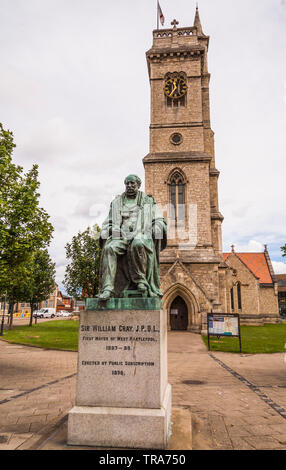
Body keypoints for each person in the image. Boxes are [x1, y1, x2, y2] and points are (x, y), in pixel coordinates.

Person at [97, 174, 167, 300]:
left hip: (141, 235)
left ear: (138, 185)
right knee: (109, 249)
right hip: (121, 237)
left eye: (132, 183)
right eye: (127, 184)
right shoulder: (117, 202)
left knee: (138, 243)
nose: (129, 186)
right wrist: (110, 229)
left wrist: (156, 228)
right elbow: (108, 222)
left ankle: (141, 281)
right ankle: (108, 288)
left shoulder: (148, 201)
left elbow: (159, 220)